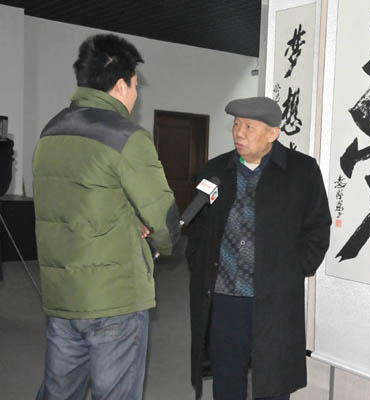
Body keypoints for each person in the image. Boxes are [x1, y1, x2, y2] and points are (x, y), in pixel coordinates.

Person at [33, 34, 180, 399]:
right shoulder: (127, 137)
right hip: (114, 297)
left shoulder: (50, 132)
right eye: (135, 85)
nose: (136, 95)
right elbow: (162, 219)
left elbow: (77, 204)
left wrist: (128, 217)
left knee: (59, 392)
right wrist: (163, 242)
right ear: (120, 86)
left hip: (63, 294)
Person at [185, 97, 332, 399]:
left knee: (273, 379)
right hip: (225, 297)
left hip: (274, 297)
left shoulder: (302, 171)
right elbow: (197, 230)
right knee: (226, 378)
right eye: (236, 124)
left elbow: (318, 226)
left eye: (249, 127)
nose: (239, 133)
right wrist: (199, 265)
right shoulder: (215, 171)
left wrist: (296, 269)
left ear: (272, 133)